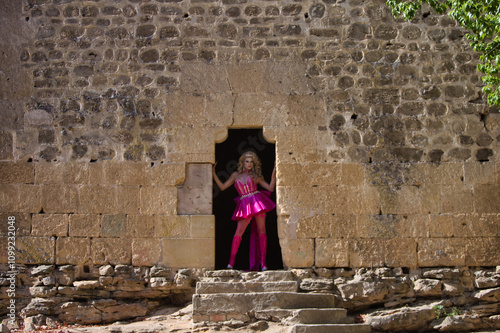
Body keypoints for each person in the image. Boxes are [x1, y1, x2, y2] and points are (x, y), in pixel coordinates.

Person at [212, 151, 276, 271]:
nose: (249, 164)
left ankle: (263, 263)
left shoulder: (256, 175)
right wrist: (213, 173)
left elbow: (270, 188)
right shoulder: (235, 175)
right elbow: (222, 187)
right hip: (244, 204)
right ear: (243, 162)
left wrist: (274, 173)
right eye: (247, 161)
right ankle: (231, 262)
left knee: (262, 231)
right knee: (238, 233)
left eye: (251, 162)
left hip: (257, 202)